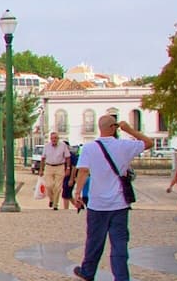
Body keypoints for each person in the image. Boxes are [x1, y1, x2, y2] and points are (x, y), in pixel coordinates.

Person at [72, 115, 150, 281]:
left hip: (97, 203)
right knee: (119, 243)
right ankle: (121, 277)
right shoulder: (124, 146)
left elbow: (83, 171)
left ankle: (87, 272)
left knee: (94, 241)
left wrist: (77, 193)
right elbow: (148, 142)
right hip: (119, 203)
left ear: (100, 127)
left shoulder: (89, 148)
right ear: (114, 127)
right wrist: (129, 129)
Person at [40, 132, 72, 210]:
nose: (54, 140)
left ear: (58, 139)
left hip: (60, 167)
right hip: (49, 167)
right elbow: (43, 158)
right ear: (50, 139)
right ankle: (51, 199)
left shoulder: (63, 146)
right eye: (52, 138)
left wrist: (68, 168)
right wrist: (41, 169)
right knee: (48, 185)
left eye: (56, 138)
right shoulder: (46, 146)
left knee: (58, 187)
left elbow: (68, 157)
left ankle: (55, 204)